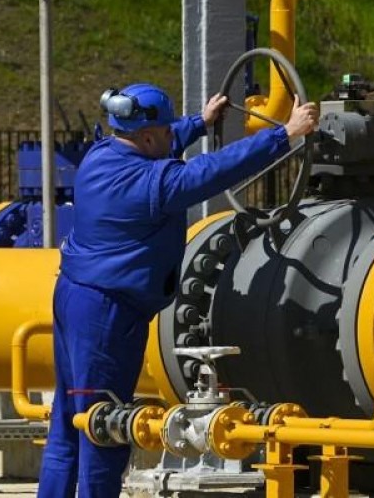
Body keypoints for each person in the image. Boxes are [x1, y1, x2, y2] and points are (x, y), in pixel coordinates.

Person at [36, 82, 319, 498]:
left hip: (74, 297)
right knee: (102, 427)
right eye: (168, 131)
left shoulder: (102, 154)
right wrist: (285, 134)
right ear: (148, 137)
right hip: (107, 314)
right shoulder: (152, 182)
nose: (173, 136)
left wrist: (199, 123)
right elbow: (213, 171)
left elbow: (163, 144)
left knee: (68, 423)